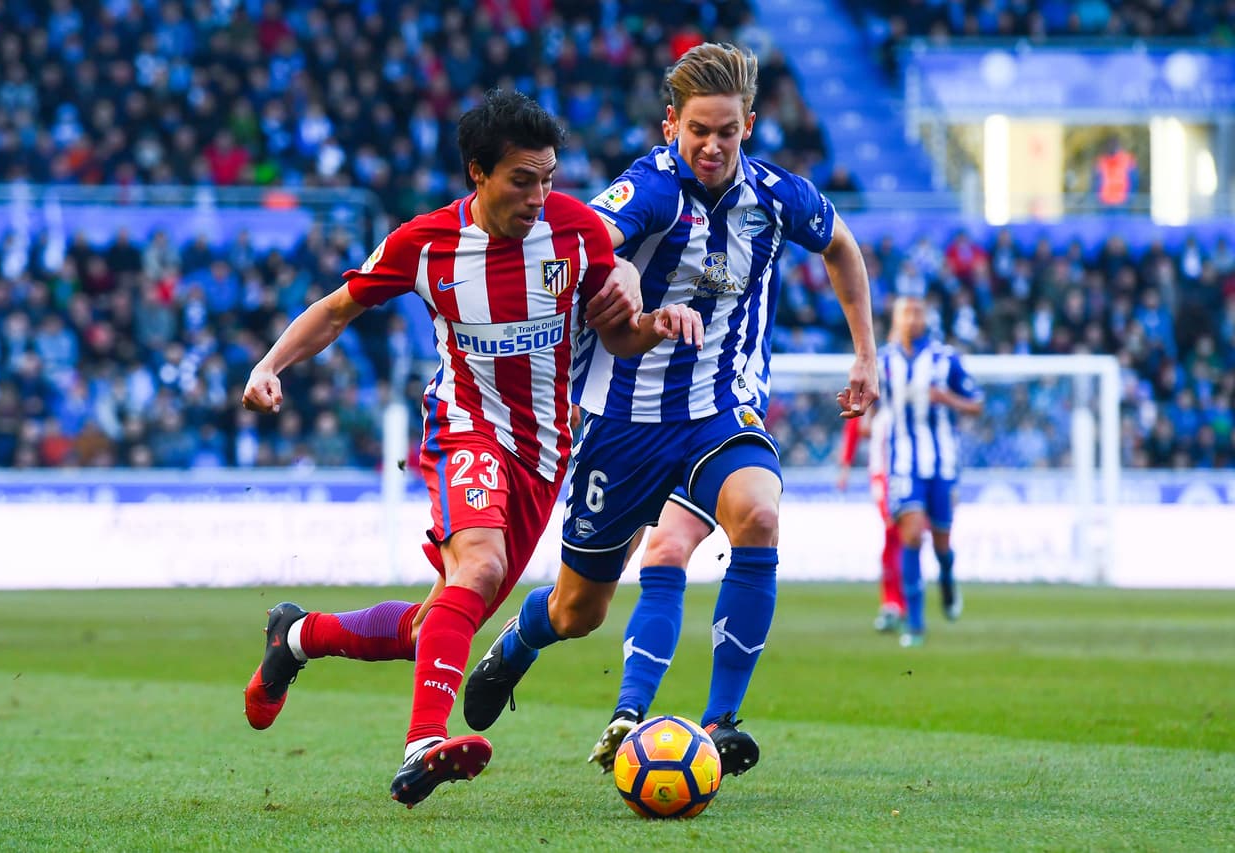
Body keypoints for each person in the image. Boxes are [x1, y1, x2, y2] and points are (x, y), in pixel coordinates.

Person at [239, 90, 702, 808]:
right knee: (480, 566)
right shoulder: (425, 244)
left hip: (545, 455)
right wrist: (270, 365)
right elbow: (336, 309)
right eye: (522, 180)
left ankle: (296, 637)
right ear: (477, 173)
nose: (538, 197)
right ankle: (422, 742)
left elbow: (617, 335)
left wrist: (654, 325)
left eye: (548, 178)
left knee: (438, 625)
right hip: (464, 426)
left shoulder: (578, 231)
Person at [460, 43, 879, 778]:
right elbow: (588, 243)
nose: (712, 146)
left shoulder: (777, 197)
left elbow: (841, 246)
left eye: (727, 131)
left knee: (759, 515)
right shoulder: (650, 188)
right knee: (578, 610)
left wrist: (866, 354)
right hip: (623, 422)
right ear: (670, 127)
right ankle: (520, 641)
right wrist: (620, 272)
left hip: (720, 408)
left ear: (749, 126)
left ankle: (720, 721)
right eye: (698, 131)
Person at [878, 295, 983, 648]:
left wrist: (947, 399)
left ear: (926, 319)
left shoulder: (945, 359)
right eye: (906, 314)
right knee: (911, 536)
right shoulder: (883, 360)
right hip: (903, 463)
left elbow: (977, 403)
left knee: (941, 543)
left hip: (942, 464)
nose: (912, 319)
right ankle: (915, 623)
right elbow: (870, 400)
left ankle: (948, 579)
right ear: (896, 319)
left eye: (917, 313)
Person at [837, 402, 905, 632]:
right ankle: (893, 603)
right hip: (883, 474)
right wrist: (845, 465)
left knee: (903, 537)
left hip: (909, 472)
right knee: (893, 531)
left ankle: (900, 603)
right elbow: (857, 423)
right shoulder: (877, 391)